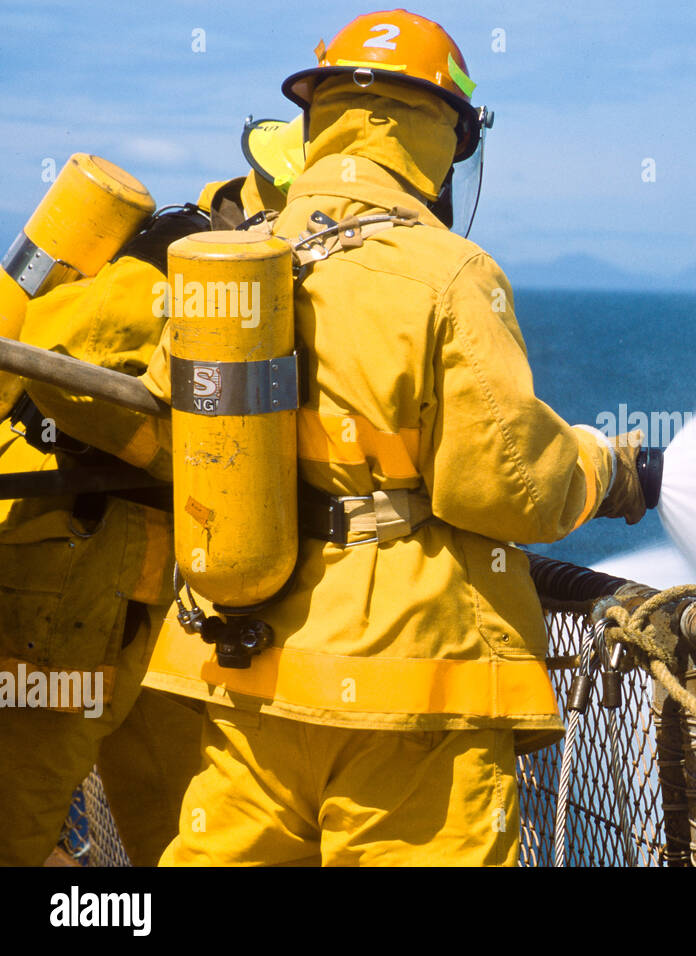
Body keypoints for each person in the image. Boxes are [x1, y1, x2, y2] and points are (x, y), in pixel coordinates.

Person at [140, 10, 646, 866]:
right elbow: (509, 486)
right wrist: (609, 468)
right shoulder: (449, 272)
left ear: (319, 120)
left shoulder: (229, 259)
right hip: (409, 690)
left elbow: (170, 419)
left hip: (246, 668)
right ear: (441, 138)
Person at [0, 137, 301, 866]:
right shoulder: (173, 271)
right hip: (66, 600)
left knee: (186, 830)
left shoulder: (237, 294)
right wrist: (173, 455)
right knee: (17, 822)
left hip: (152, 616)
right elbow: (59, 352)